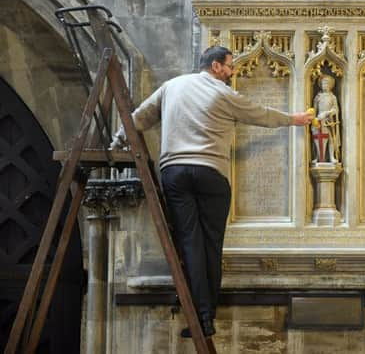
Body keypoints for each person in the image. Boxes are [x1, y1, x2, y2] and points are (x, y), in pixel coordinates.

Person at [111, 45, 312, 338]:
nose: (232, 73)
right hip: (210, 174)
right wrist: (294, 119)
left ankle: (194, 311)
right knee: (210, 247)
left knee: (190, 243)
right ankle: (205, 319)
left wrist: (116, 143)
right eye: (229, 67)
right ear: (216, 67)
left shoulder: (172, 86)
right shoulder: (223, 93)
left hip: (175, 173)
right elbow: (260, 114)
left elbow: (137, 119)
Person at [311, 74, 340, 163]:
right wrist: (314, 121)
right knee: (316, 137)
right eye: (323, 83)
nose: (324, 85)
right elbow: (314, 110)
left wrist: (327, 113)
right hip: (318, 120)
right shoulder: (318, 97)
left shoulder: (332, 97)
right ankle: (317, 156)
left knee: (330, 138)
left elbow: (336, 110)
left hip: (328, 120)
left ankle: (331, 156)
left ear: (331, 85)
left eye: (327, 83)